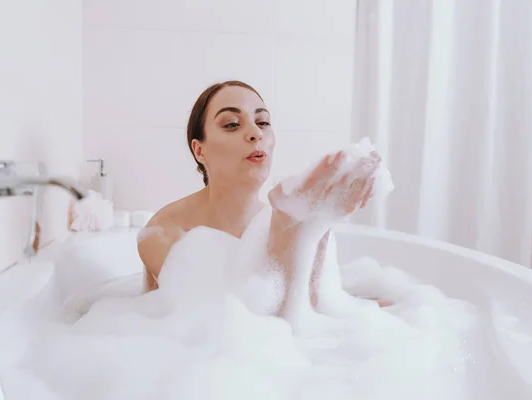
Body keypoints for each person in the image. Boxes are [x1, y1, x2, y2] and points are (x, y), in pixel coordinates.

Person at [137, 80, 390, 316]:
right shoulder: (166, 232)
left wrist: (315, 230)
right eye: (232, 124)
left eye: (263, 122)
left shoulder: (284, 220)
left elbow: (313, 314)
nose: (255, 133)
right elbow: (217, 323)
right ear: (199, 150)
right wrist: (290, 230)